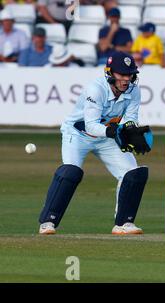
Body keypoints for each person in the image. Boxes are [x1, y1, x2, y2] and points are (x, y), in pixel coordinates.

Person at [38, 51, 153, 235]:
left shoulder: (134, 90)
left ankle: (123, 223)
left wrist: (130, 133)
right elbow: (91, 126)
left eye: (129, 74)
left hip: (107, 137)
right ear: (110, 73)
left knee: (133, 174)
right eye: (122, 74)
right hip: (78, 134)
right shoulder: (96, 89)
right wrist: (114, 131)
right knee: (70, 173)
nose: (126, 79)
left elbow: (130, 118)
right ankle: (47, 222)